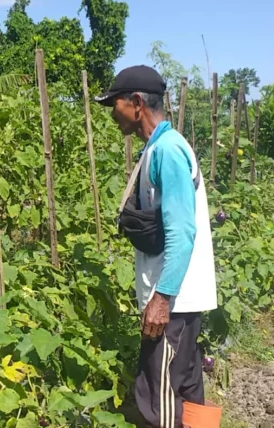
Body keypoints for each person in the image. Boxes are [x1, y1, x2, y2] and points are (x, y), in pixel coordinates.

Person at [95, 66, 217, 428]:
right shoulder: (158, 148)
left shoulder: (168, 151)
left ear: (135, 103)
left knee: (160, 399)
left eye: (113, 105)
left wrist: (161, 299)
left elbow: (182, 231)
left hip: (172, 304)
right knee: (188, 389)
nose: (110, 115)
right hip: (179, 302)